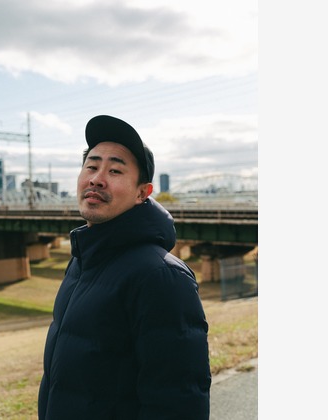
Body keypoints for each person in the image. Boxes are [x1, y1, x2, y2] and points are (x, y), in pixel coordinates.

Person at [38, 115, 211, 420]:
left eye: (115, 170)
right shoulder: (81, 262)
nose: (97, 179)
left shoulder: (161, 276)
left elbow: (178, 402)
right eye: (91, 166)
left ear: (142, 193)